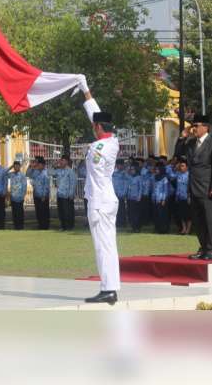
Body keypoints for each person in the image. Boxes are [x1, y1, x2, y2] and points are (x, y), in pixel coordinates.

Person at [76, 77, 120, 305]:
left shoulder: (98, 148)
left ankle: (108, 289)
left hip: (100, 202)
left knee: (103, 247)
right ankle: (110, 287)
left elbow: (93, 169)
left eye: (94, 126)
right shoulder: (113, 142)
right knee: (108, 245)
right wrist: (86, 91)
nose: (92, 129)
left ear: (99, 128)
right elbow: (97, 118)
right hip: (107, 199)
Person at [185, 114, 212, 260]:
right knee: (198, 221)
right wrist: (182, 137)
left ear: (205, 127)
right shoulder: (191, 143)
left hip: (208, 188)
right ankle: (204, 247)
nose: (193, 128)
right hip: (194, 187)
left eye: (196, 125)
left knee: (210, 220)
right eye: (193, 125)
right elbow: (177, 154)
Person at [53, 156, 77, 231]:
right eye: (60, 160)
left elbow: (73, 183)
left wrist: (71, 194)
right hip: (60, 194)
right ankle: (63, 226)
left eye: (62, 160)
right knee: (61, 212)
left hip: (67, 195)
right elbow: (49, 172)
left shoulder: (70, 171)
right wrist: (55, 164)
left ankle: (69, 226)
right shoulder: (58, 170)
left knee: (68, 212)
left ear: (66, 162)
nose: (61, 162)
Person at [27, 157, 51, 230]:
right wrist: (31, 166)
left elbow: (46, 185)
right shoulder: (35, 172)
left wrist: (44, 195)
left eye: (39, 164)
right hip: (36, 195)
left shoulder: (46, 173)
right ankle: (40, 224)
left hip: (43, 196)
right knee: (38, 211)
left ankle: (45, 226)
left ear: (43, 165)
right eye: (37, 164)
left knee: (44, 211)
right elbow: (27, 174)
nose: (38, 166)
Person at [170, 157, 192, 235]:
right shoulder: (178, 174)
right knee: (181, 214)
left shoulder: (189, 175)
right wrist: (175, 168)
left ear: (187, 167)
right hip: (179, 197)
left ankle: (188, 229)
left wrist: (189, 196)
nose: (181, 167)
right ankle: (184, 228)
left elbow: (191, 187)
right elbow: (171, 177)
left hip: (187, 197)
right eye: (180, 166)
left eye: (183, 166)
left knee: (188, 215)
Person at [7, 161, 28, 230]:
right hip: (13, 197)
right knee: (14, 213)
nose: (16, 168)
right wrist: (10, 167)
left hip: (20, 197)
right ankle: (16, 226)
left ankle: (20, 226)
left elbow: (24, 186)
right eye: (15, 166)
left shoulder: (22, 175)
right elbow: (4, 173)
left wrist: (23, 196)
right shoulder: (11, 174)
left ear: (19, 167)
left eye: (17, 166)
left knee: (20, 213)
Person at [151, 164, 171, 234]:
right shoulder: (154, 177)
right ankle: (157, 228)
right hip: (155, 199)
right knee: (156, 214)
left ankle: (164, 229)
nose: (156, 171)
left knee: (162, 215)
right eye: (156, 169)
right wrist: (153, 197)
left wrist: (164, 199)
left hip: (161, 199)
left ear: (161, 170)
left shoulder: (164, 179)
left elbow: (165, 190)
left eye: (157, 169)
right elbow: (153, 188)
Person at [126, 161, 143, 233]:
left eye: (133, 169)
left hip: (136, 198)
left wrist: (139, 196)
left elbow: (141, 188)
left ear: (136, 170)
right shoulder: (129, 177)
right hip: (130, 198)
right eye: (131, 169)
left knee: (137, 214)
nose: (131, 171)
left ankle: (137, 227)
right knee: (131, 213)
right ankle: (133, 227)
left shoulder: (139, 177)